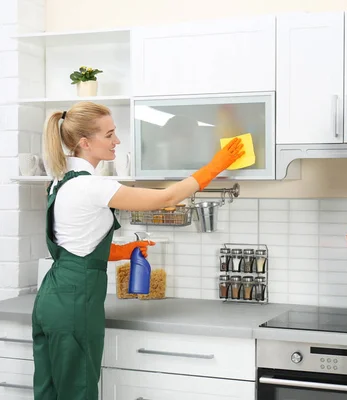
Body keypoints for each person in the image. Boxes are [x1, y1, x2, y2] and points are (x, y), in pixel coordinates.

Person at [32, 101, 244, 400]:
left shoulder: (60, 181)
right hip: (75, 299)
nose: (117, 141)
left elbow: (77, 242)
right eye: (109, 134)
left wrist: (121, 251)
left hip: (53, 296)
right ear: (85, 142)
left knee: (49, 391)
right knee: (77, 390)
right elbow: (166, 197)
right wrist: (217, 165)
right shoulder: (90, 187)